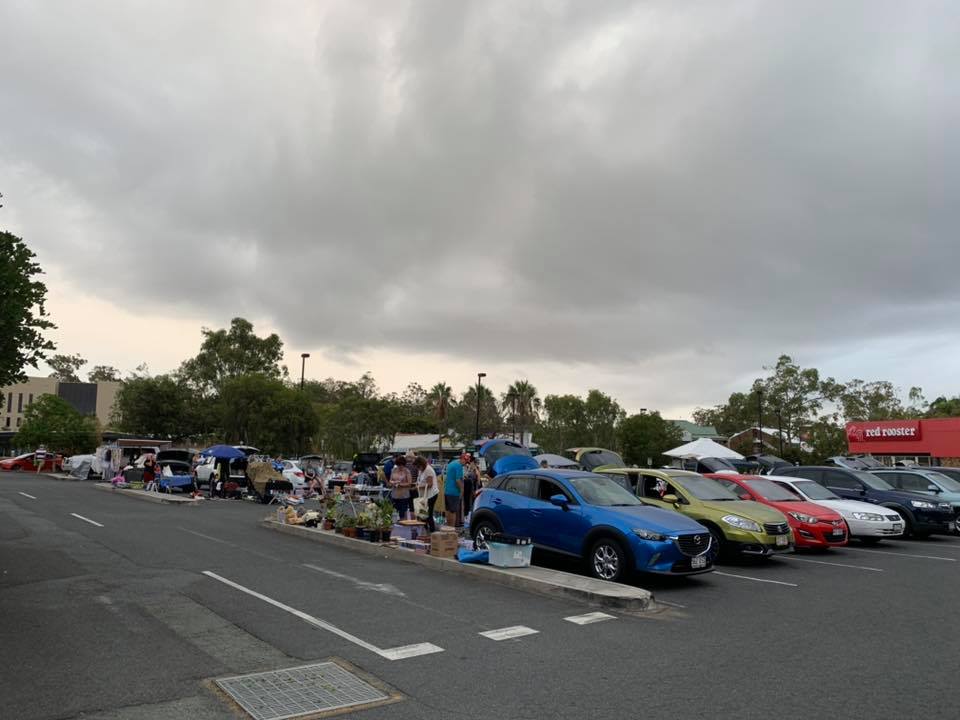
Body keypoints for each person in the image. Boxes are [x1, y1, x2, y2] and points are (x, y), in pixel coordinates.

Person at [414, 456, 439, 533]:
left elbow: (430, 484)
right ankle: (424, 530)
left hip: (431, 495)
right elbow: (420, 481)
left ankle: (432, 531)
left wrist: (419, 487)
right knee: (422, 514)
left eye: (418, 466)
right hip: (424, 495)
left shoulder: (428, 470)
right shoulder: (421, 470)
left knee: (428, 514)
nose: (417, 468)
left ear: (421, 464)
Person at [389, 455, 413, 519]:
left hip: (404, 495)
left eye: (401, 465)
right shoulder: (393, 470)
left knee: (402, 513)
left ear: (404, 464)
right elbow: (390, 480)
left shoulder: (407, 471)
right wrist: (393, 483)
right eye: (398, 465)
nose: (400, 466)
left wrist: (401, 484)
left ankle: (402, 526)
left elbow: (409, 483)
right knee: (394, 512)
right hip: (394, 495)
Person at [443, 454, 463, 527]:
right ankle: (452, 529)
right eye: (465, 462)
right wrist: (461, 490)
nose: (465, 464)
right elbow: (458, 480)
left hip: (447, 490)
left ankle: (448, 528)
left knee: (448, 510)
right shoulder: (459, 466)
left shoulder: (450, 464)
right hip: (454, 492)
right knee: (453, 511)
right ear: (462, 459)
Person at [461, 453, 480, 519]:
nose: (468, 460)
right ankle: (467, 514)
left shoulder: (474, 468)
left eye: (469, 459)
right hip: (468, 486)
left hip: (471, 486)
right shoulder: (465, 466)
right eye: (467, 459)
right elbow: (465, 476)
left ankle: (469, 514)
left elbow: (477, 479)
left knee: (470, 501)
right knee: (467, 501)